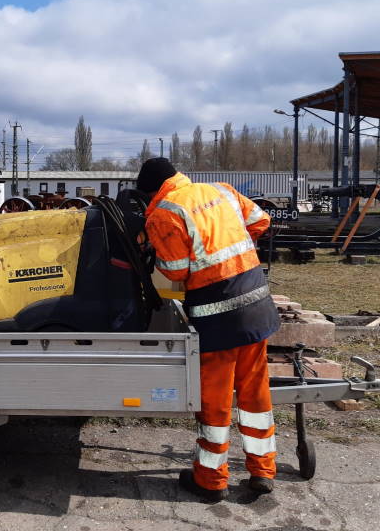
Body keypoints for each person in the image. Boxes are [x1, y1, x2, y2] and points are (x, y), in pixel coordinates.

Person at [136, 157, 279, 502]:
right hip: (256, 302)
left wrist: (154, 251)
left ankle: (212, 480)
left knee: (215, 401)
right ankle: (263, 470)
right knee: (255, 393)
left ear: (151, 191)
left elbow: (175, 271)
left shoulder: (164, 213)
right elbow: (261, 221)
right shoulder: (221, 190)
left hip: (217, 316)